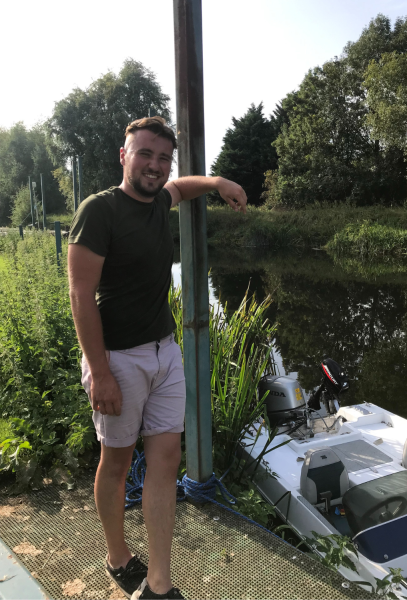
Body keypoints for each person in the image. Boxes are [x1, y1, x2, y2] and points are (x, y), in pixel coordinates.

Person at [68, 116, 247, 600]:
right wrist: (100, 373)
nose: (155, 164)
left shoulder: (158, 201)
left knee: (166, 461)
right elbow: (81, 295)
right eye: (144, 153)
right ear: (123, 155)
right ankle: (117, 556)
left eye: (163, 158)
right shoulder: (99, 210)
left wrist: (217, 182)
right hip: (118, 360)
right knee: (117, 463)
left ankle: (160, 584)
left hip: (166, 353)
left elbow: (182, 189)